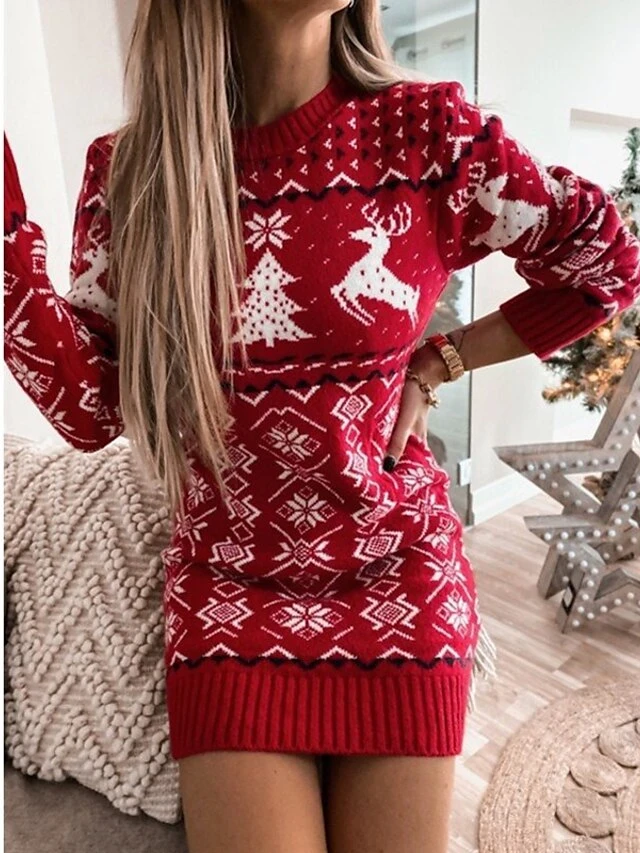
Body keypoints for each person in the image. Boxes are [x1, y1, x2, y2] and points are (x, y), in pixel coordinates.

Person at [4, 1, 640, 851]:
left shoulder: (428, 135)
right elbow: (89, 409)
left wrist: (442, 359)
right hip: (229, 592)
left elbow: (604, 263)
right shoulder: (132, 175)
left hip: (397, 576)